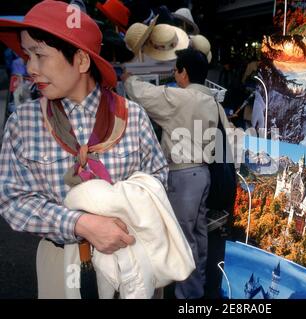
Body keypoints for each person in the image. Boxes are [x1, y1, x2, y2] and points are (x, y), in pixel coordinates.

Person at [0, 0, 168, 298]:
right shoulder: (23, 123)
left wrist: (125, 211)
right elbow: (13, 200)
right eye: (27, 54)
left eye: (39, 55)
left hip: (128, 255)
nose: (29, 67)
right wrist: (81, 224)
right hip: (58, 260)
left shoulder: (131, 116)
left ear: (81, 61)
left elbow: (157, 178)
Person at [122, 47, 233, 299]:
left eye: (176, 70)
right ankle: (199, 285)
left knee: (184, 238)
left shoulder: (180, 98)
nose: (174, 75)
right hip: (203, 174)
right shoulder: (211, 101)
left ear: (183, 73)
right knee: (199, 235)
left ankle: (187, 295)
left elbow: (144, 94)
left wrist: (128, 78)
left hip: (183, 175)